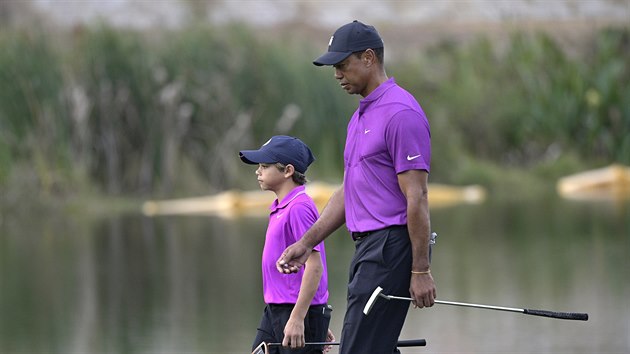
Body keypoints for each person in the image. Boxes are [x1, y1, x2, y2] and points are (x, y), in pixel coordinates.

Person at [276, 20, 436, 354]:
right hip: (367, 250)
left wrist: (420, 269)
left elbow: (417, 196)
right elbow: (350, 192)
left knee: (358, 349)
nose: (336, 74)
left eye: (342, 65)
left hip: (390, 248)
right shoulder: (359, 118)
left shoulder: (400, 112)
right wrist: (306, 243)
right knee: (372, 346)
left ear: (368, 58)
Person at [240, 135, 333, 354]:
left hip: (295, 311)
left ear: (288, 171)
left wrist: (301, 318)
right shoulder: (280, 207)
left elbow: (315, 265)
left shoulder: (299, 207)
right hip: (275, 310)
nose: (258, 171)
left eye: (264, 166)